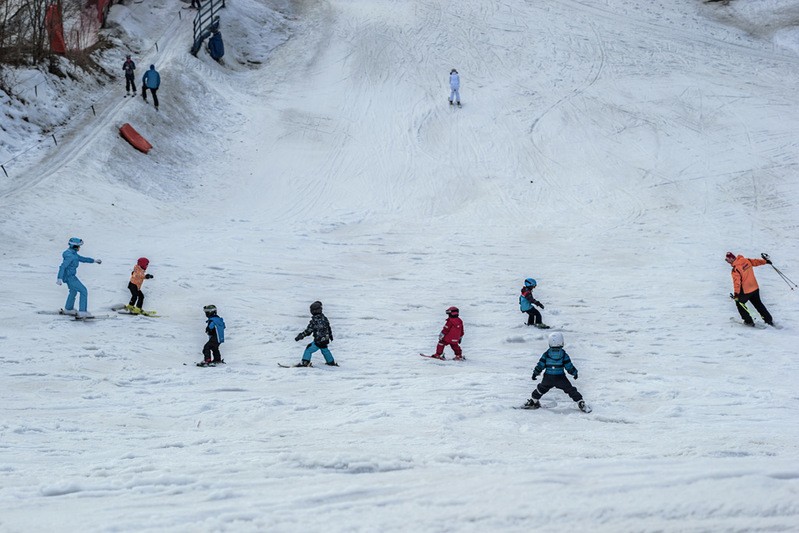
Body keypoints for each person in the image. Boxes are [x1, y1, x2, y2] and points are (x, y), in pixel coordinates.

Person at [525, 332, 590, 412]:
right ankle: (580, 402)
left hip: (548, 378)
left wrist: (535, 373)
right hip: (560, 378)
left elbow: (540, 365)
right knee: (570, 390)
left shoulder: (546, 354)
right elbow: (568, 365)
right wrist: (574, 373)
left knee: (541, 389)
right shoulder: (563, 354)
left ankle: (533, 401)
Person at [56, 237, 101, 318]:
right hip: (70, 277)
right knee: (83, 290)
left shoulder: (73, 254)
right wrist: (59, 278)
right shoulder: (70, 256)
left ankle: (68, 308)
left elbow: (82, 259)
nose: (80, 248)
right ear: (75, 246)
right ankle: (82, 311)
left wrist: (94, 260)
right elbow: (62, 267)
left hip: (70, 276)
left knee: (73, 291)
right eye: (79, 246)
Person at [726, 251, 774, 326]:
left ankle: (748, 321)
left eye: (727, 260)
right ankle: (768, 320)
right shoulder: (745, 260)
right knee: (758, 304)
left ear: (731, 259)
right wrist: (765, 261)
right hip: (755, 287)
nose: (727, 262)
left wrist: (736, 294)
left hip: (746, 291)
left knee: (739, 303)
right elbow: (755, 262)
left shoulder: (736, 269)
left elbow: (737, 283)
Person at [294, 301, 337, 366]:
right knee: (325, 350)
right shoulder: (324, 318)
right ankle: (331, 362)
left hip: (318, 340)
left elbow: (308, 330)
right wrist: (330, 336)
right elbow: (328, 327)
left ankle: (305, 362)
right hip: (325, 339)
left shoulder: (314, 320)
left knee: (309, 349)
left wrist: (301, 336)